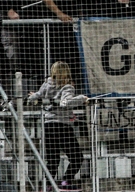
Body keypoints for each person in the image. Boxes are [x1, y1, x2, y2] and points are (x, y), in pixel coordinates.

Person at [27, 61, 87, 192]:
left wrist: (33, 97)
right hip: (62, 126)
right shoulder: (67, 87)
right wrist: (82, 98)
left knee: (53, 159)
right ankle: (66, 181)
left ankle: (47, 186)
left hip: (48, 126)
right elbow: (66, 102)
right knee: (77, 157)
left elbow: (36, 96)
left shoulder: (47, 84)